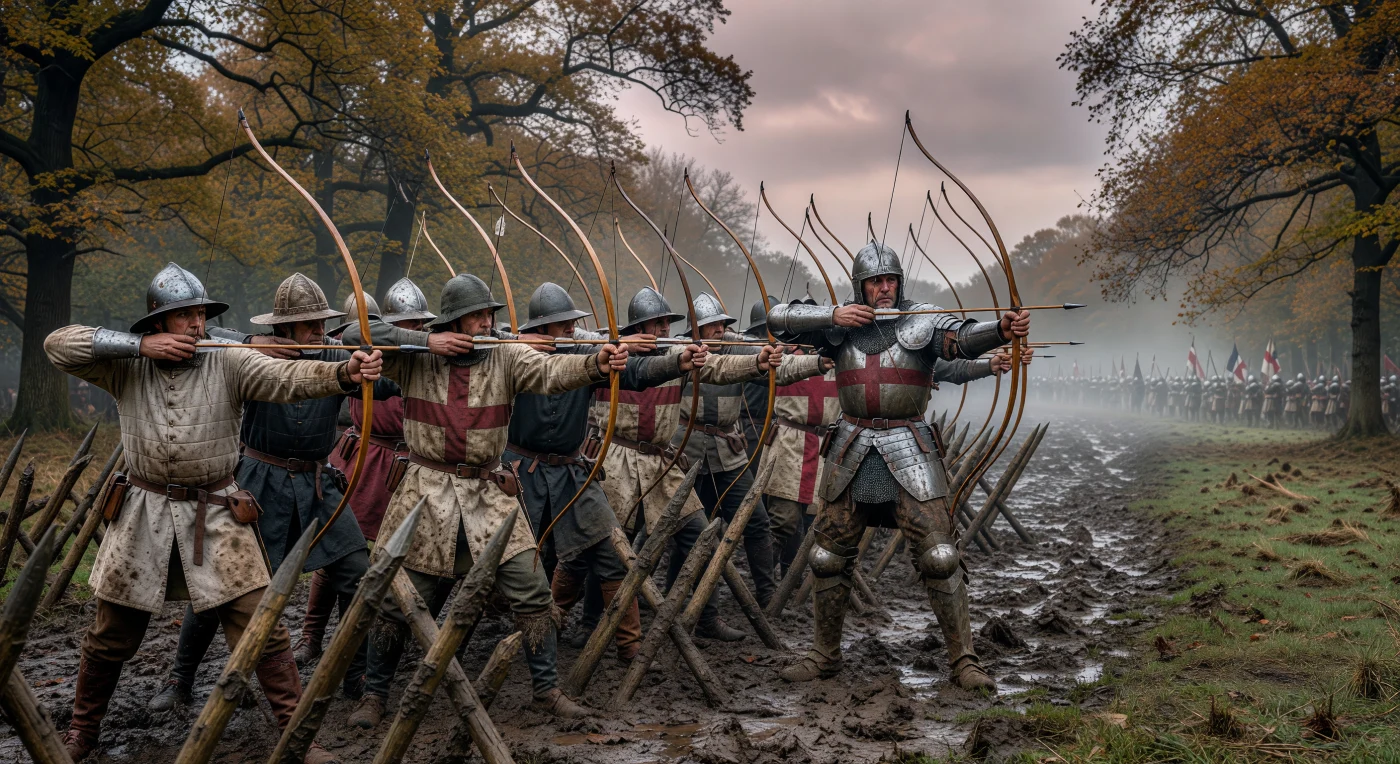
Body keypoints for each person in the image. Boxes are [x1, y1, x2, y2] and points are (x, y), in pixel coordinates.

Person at [46, 263, 381, 764]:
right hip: (142, 514)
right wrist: (139, 348)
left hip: (219, 511)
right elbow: (59, 344)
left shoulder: (228, 361)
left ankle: (296, 737)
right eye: (186, 317)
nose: (198, 326)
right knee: (109, 636)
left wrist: (342, 372)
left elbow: (287, 375)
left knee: (262, 627)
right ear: (158, 322)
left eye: (202, 315)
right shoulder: (124, 364)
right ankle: (82, 733)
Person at [340, 274, 628, 725]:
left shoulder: (506, 356)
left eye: (488, 315)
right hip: (426, 492)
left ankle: (546, 690)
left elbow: (552, 373)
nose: (486, 323)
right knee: (398, 601)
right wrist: (425, 341)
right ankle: (374, 696)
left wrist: (595, 364)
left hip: (490, 492)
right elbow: (357, 333)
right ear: (453, 321)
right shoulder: (414, 358)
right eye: (476, 316)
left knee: (532, 591)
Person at [766, 242, 1029, 691]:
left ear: (899, 284)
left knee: (941, 556)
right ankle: (825, 655)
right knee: (827, 557)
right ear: (861, 286)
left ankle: (964, 660)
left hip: (909, 445)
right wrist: (834, 317)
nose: (883, 288)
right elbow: (776, 320)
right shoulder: (841, 326)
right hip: (850, 445)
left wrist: (1001, 330)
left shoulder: (921, 319)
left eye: (890, 281)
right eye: (874, 281)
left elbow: (960, 340)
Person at [147, 273, 406, 711]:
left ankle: (355, 673)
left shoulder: (334, 354)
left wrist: (381, 363)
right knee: (224, 586)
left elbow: (389, 378)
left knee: (359, 574)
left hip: (319, 484)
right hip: (257, 484)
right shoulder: (248, 356)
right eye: (309, 327)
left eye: (322, 325)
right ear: (282, 330)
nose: (319, 334)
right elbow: (214, 336)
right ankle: (179, 680)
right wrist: (253, 341)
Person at [503, 282, 706, 662]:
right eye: (563, 324)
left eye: (572, 323)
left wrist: (675, 362)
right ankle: (531, 628)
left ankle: (629, 646)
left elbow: (635, 373)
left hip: (571, 472)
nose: (570, 329)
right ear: (542, 328)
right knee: (518, 562)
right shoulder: (507, 353)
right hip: (520, 473)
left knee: (611, 553)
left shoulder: (584, 350)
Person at [586, 286, 784, 642]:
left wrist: (756, 362)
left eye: (666, 323)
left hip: (660, 462)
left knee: (700, 536)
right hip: (616, 459)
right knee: (611, 546)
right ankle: (590, 625)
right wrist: (623, 346)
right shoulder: (608, 352)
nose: (664, 329)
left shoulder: (679, 353)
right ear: (639, 325)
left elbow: (721, 367)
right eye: (656, 323)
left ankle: (706, 617)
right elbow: (573, 349)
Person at [677, 293, 827, 610]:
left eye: (721, 324)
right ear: (696, 329)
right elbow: (718, 368)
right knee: (689, 531)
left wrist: (816, 361)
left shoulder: (739, 346)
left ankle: (766, 595)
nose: (719, 330)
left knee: (757, 523)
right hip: (687, 452)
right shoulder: (679, 351)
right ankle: (682, 600)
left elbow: (780, 369)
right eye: (711, 325)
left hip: (728, 453)